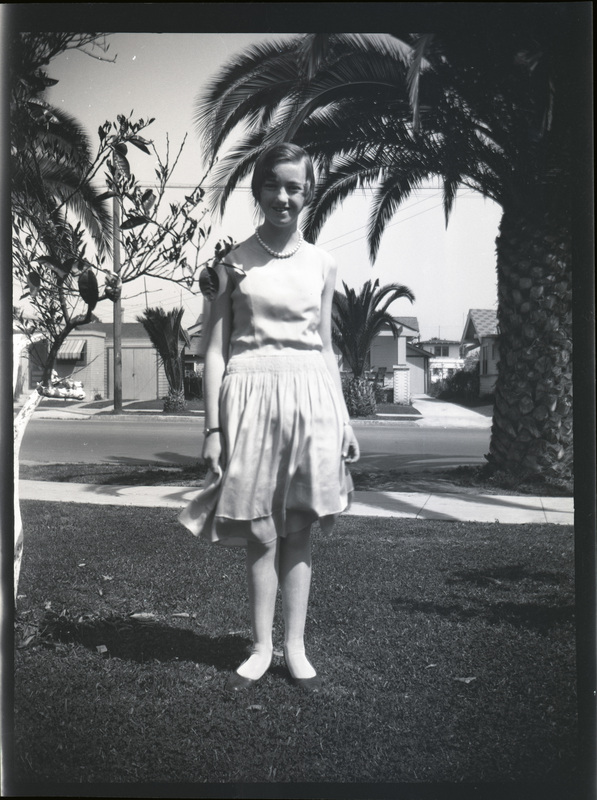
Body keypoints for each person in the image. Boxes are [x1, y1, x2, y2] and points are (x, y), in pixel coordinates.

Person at [179, 143, 359, 693]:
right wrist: (211, 428)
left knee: (299, 525)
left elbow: (325, 346)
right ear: (257, 188)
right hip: (248, 394)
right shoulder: (230, 263)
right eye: (274, 185)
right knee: (259, 528)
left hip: (311, 398)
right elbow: (213, 349)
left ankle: (295, 647)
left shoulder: (323, 264)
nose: (284, 196)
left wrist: (345, 418)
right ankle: (260, 646)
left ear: (308, 193)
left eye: (295, 187)